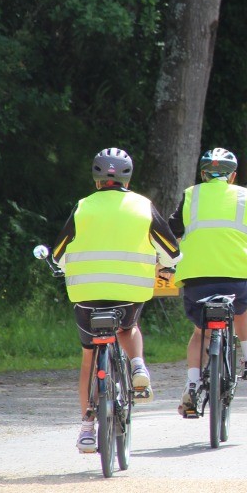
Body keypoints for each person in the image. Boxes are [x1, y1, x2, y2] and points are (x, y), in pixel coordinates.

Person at [52, 147, 181, 453]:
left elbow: (58, 255)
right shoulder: (143, 206)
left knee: (89, 357)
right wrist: (163, 265)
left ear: (96, 178)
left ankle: (86, 427)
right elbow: (173, 252)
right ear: (128, 177)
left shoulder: (82, 208)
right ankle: (137, 366)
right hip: (129, 295)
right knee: (127, 329)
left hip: (87, 297)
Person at [168, 147, 247, 417]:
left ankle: (193, 384)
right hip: (238, 278)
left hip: (197, 280)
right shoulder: (245, 196)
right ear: (232, 176)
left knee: (200, 332)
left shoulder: (190, 196)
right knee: (242, 308)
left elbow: (171, 232)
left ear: (203, 174)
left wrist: (166, 264)